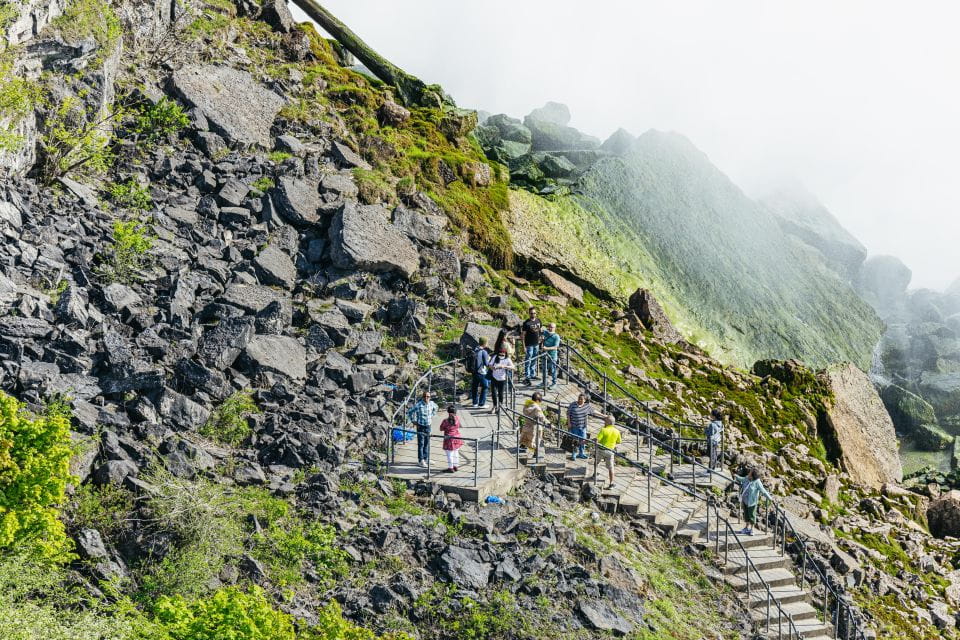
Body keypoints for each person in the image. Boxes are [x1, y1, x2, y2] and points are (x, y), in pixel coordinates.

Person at [733, 468, 772, 536]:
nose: (749, 473)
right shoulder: (747, 478)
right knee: (746, 515)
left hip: (752, 502)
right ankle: (746, 527)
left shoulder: (757, 482)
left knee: (752, 516)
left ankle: (752, 529)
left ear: (753, 475)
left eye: (750, 472)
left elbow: (763, 491)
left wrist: (770, 498)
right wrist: (736, 476)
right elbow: (741, 479)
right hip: (745, 500)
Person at [567, 393, 606, 460]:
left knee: (583, 440)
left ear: (584, 400)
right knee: (575, 441)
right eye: (579, 398)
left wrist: (604, 415)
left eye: (581, 399)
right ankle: (574, 454)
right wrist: (569, 423)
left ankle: (581, 453)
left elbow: (594, 411)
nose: (580, 400)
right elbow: (568, 413)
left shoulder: (587, 406)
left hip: (583, 427)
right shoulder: (573, 404)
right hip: (574, 426)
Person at [406, 390, 438, 468]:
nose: (426, 398)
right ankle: (421, 460)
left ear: (430, 397)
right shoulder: (418, 405)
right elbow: (410, 412)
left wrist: (432, 415)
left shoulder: (432, 404)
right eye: (425, 396)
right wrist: (413, 421)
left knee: (427, 443)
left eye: (428, 396)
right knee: (421, 444)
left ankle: (426, 458)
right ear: (422, 397)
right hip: (420, 426)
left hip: (428, 426)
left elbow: (436, 407)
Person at [596, 416, 622, 489]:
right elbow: (619, 441)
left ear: (608, 422)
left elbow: (597, 440)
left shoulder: (603, 430)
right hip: (610, 451)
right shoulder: (617, 431)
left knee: (596, 462)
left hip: (601, 449)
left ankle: (594, 474)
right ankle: (611, 483)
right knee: (611, 468)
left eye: (605, 421)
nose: (604, 422)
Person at [489, 347, 515, 413]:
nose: (501, 356)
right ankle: (494, 406)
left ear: (505, 354)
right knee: (494, 393)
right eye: (500, 354)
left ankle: (500, 407)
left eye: (502, 355)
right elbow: (490, 364)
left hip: (502, 379)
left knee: (501, 393)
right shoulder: (495, 357)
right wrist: (493, 368)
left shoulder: (507, 359)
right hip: (494, 377)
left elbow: (513, 367)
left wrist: (504, 366)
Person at [521, 307, 542, 384]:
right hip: (529, 345)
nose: (533, 314)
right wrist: (523, 346)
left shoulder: (538, 321)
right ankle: (527, 376)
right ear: (529, 313)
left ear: (536, 313)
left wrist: (540, 339)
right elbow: (522, 335)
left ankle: (532, 374)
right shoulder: (526, 323)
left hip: (536, 344)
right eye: (531, 313)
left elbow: (540, 330)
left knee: (534, 359)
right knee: (528, 359)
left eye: (534, 313)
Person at [439, 406, 464, 473]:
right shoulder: (457, 419)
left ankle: (450, 468)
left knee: (449, 454)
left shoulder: (445, 421)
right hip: (457, 437)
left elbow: (441, 428)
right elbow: (459, 426)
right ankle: (456, 466)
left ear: (448, 412)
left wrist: (446, 429)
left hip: (449, 439)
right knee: (456, 453)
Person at [521, 391, 545, 457]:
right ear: (537, 400)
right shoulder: (537, 408)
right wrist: (549, 423)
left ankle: (522, 447)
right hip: (535, 428)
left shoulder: (527, 405)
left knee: (527, 439)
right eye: (540, 401)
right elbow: (542, 418)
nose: (540, 402)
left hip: (527, 426)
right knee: (537, 440)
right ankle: (535, 454)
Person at [470, 337, 491, 408]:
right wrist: (489, 359)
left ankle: (474, 403)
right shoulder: (484, 352)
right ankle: (481, 404)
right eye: (487, 342)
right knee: (485, 386)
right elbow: (486, 364)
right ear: (484, 343)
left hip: (474, 372)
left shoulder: (475, 349)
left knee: (474, 387)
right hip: (482, 372)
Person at [541, 322, 561, 388]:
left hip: (552, 355)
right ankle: (544, 382)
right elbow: (540, 331)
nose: (550, 328)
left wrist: (546, 348)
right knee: (544, 369)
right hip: (545, 355)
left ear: (555, 328)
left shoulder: (556, 336)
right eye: (549, 327)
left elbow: (556, 347)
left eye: (552, 327)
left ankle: (554, 383)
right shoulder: (545, 332)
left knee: (553, 370)